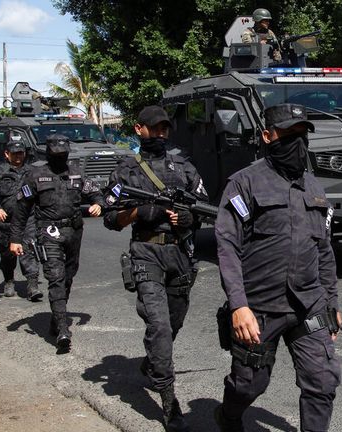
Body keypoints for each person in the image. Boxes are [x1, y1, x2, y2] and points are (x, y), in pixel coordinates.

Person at [213, 104, 341, 432]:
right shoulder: (244, 183)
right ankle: (227, 416)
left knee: (322, 381)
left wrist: (331, 302)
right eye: (288, 135)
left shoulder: (314, 188)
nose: (297, 143)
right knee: (250, 384)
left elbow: (323, 249)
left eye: (302, 135)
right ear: (267, 136)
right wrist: (239, 306)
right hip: (260, 307)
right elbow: (227, 247)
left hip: (308, 305)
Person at [103, 105, 207, 432]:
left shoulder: (184, 167)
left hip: (180, 254)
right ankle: (169, 401)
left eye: (165, 129)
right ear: (139, 129)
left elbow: (201, 206)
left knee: (172, 324)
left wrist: (188, 218)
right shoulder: (125, 171)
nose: (161, 134)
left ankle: (152, 364)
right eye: (155, 129)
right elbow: (110, 218)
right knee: (159, 326)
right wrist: (138, 211)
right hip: (146, 252)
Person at [9, 135, 103, 351]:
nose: (61, 157)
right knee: (55, 276)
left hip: (74, 230)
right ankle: (62, 329)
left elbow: (95, 191)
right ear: (49, 153)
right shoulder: (35, 175)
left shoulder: (76, 172)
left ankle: (56, 315)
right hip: (49, 231)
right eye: (56, 154)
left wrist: (98, 204)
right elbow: (21, 211)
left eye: (64, 154)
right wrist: (15, 239)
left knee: (69, 275)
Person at [0, 140, 42, 299]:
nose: (18, 156)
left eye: (21, 153)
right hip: (7, 221)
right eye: (15, 153)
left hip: (28, 219)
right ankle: (9, 280)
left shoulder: (32, 172)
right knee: (7, 254)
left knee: (29, 250)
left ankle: (32, 285)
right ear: (6, 154)